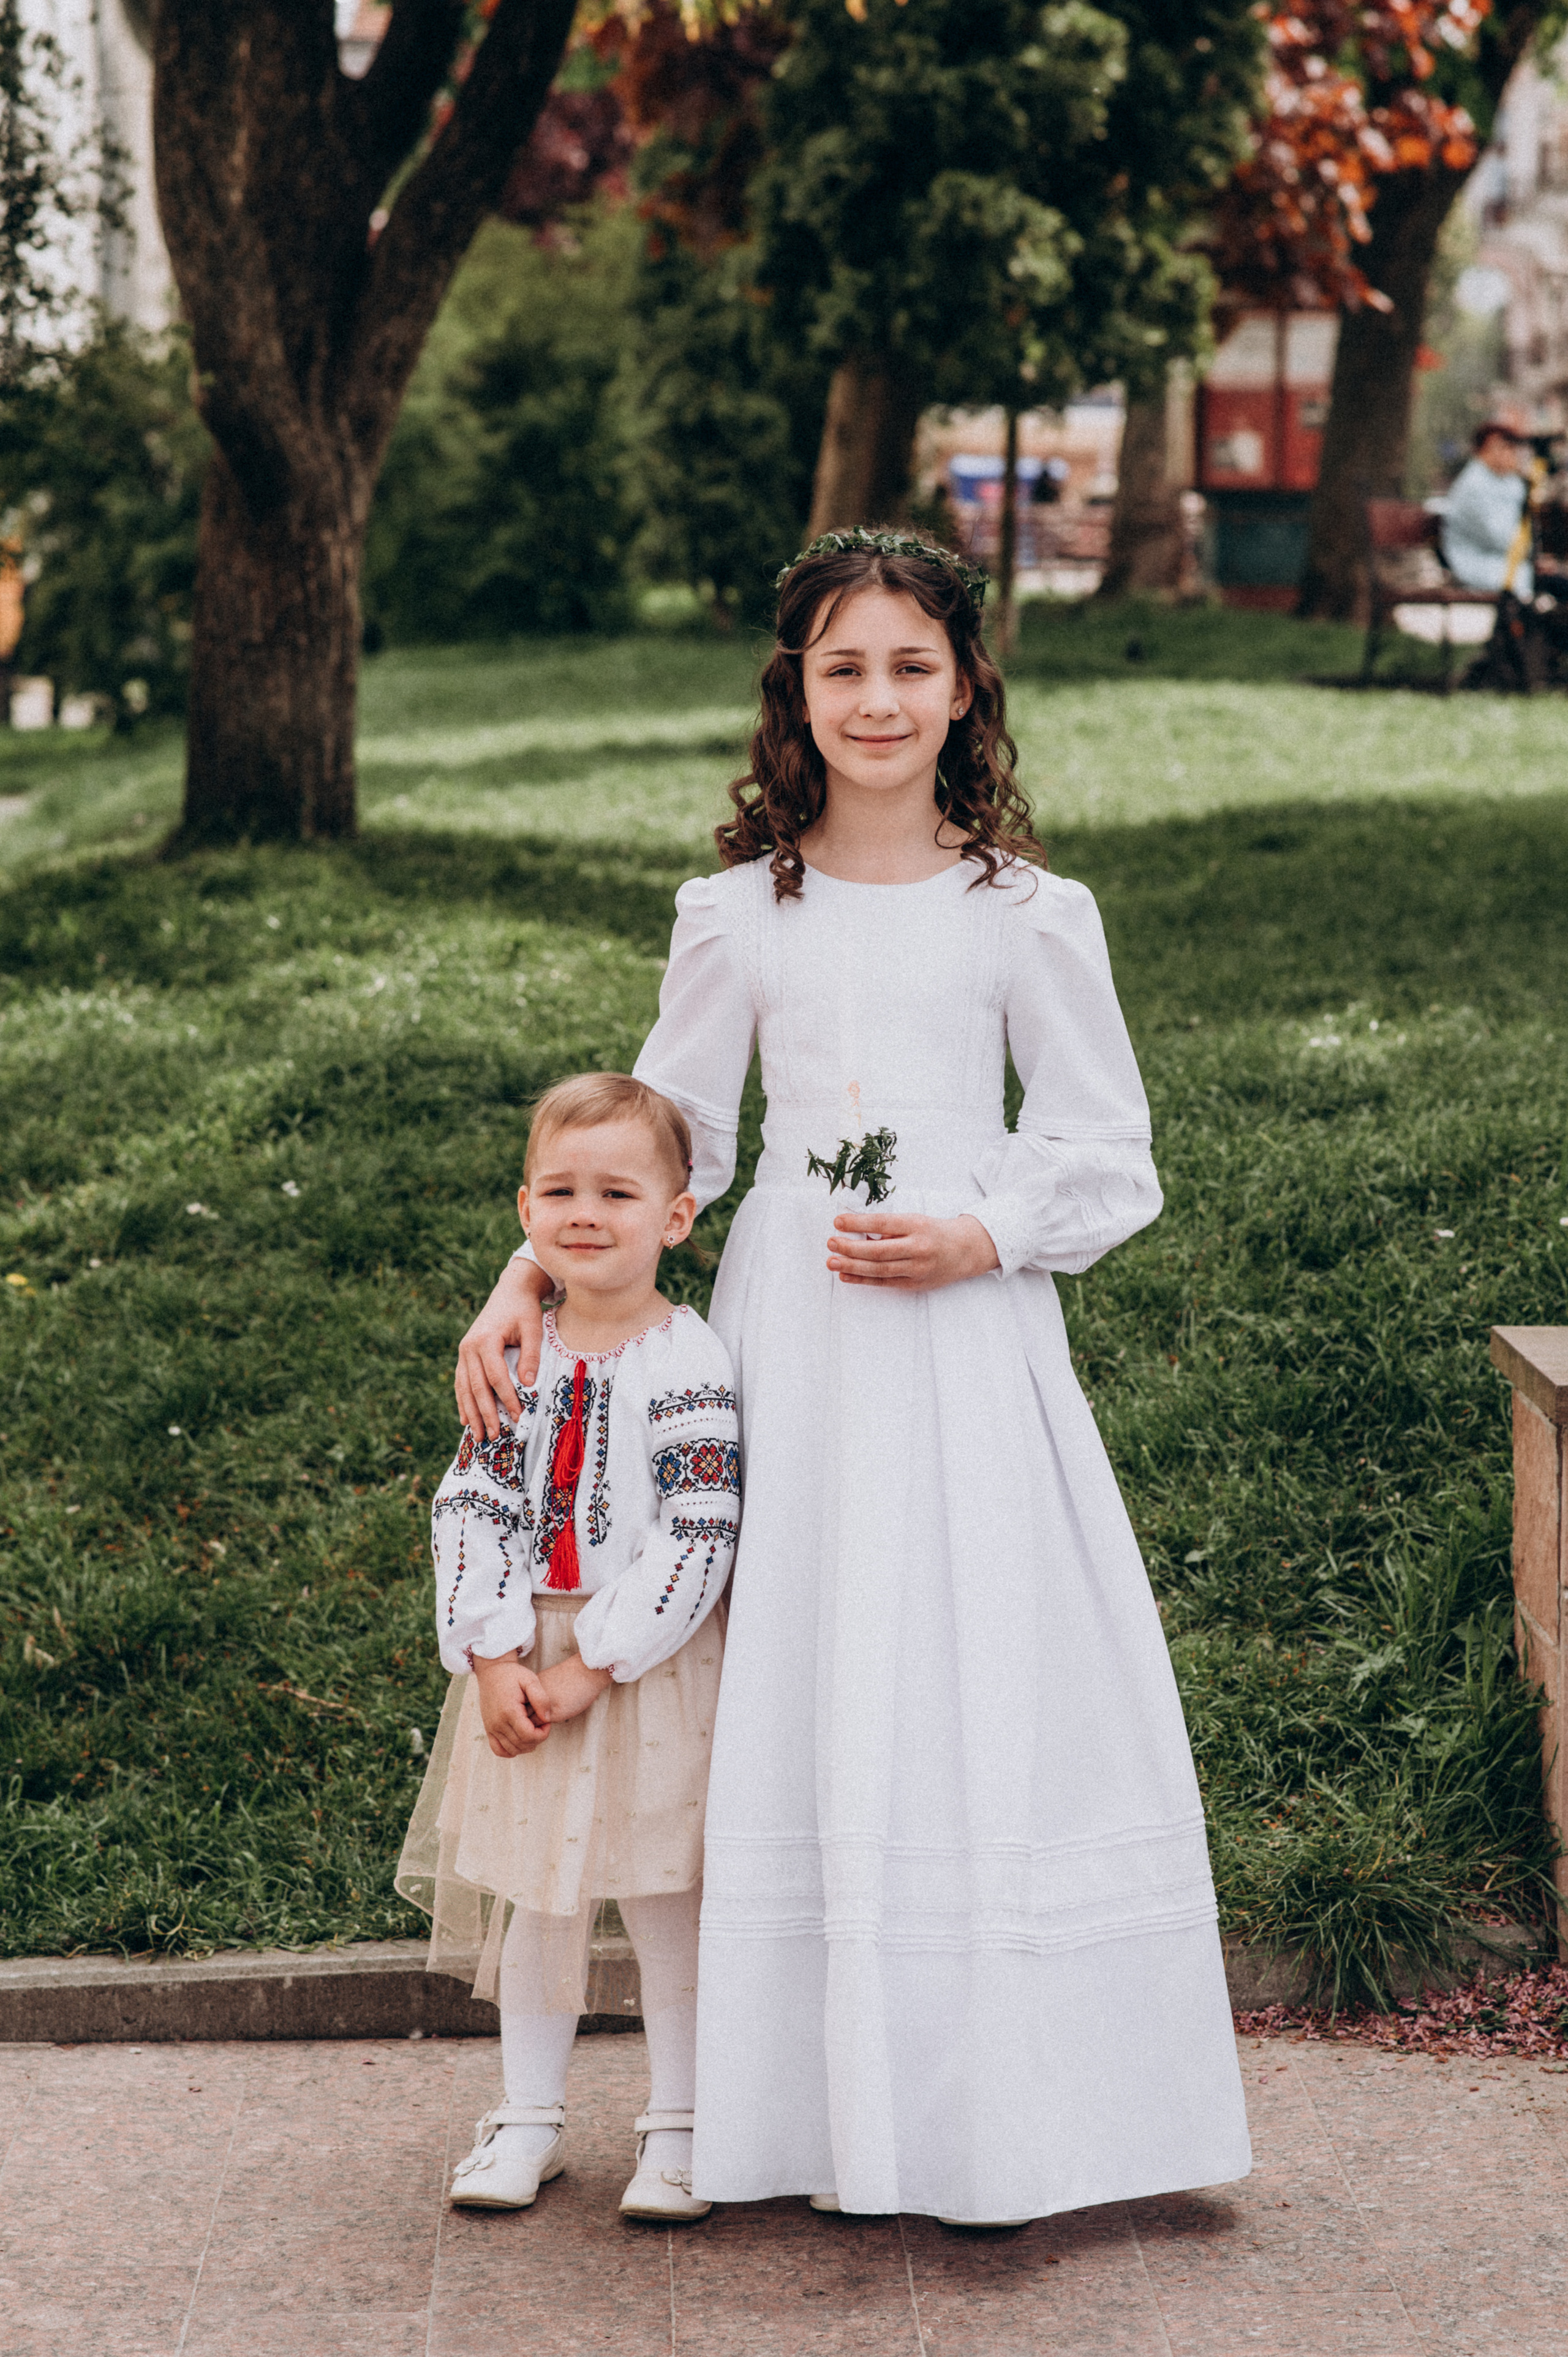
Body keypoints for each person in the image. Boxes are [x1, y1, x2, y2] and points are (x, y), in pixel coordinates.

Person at [455, 528, 1252, 2226]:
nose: (877, 697)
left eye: (910, 663)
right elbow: (672, 1141)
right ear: (793, 692)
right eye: (843, 666)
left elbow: (1109, 1151)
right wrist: (529, 1273)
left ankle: (998, 2109)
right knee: (800, 1666)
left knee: (963, 1663)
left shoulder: (1034, 915)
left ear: (966, 684)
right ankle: (771, 2111)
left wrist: (986, 1227)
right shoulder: (737, 913)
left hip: (969, 1349)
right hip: (792, 1344)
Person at [399, 1072, 739, 2223]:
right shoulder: (518, 1352)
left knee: (664, 1900)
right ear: (524, 1211)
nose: (585, 1212)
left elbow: (699, 1533)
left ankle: (684, 2123)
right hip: (525, 1661)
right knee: (536, 1902)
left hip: (643, 1672)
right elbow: (475, 1500)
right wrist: (494, 1657)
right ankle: (528, 2114)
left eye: (617, 1191)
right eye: (560, 1189)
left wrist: (592, 1663)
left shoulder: (688, 1363)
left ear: (677, 1217)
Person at [1441, 422, 1532, 598]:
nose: (1510, 453)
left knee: (1553, 582)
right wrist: (1532, 554)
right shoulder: (1474, 484)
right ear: (1483, 450)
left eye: (1511, 447)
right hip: (1477, 562)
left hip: (1507, 560)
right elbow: (1497, 537)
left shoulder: (1509, 482)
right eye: (1503, 447)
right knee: (1543, 584)